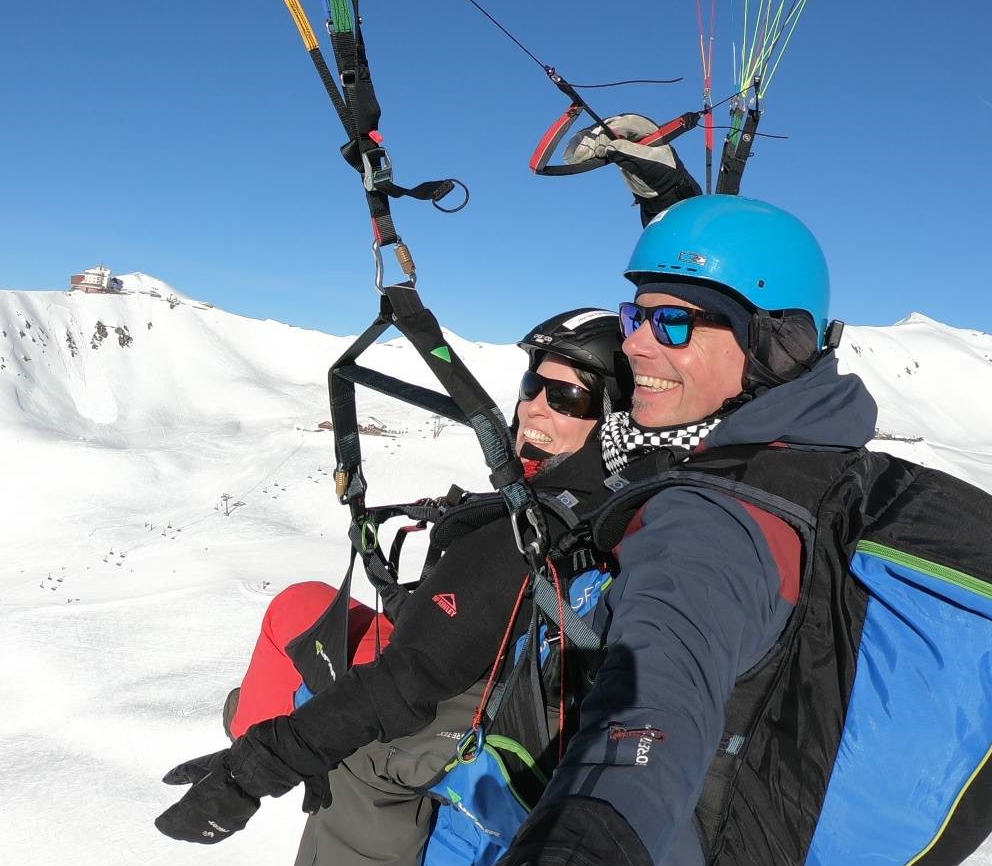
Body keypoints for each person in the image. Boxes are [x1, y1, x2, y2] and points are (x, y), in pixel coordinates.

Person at [155, 308, 633, 865]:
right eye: (533, 385)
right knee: (304, 604)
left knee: (302, 628)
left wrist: (252, 770)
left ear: (614, 418)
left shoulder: (525, 534)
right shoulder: (618, 494)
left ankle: (252, 733)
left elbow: (405, 682)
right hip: (522, 665)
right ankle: (252, 723)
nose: (533, 408)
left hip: (482, 704)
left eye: (567, 398)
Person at [498, 195, 879, 866]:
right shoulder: (809, 453)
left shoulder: (709, 519)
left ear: (774, 344)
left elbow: (655, 699)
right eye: (636, 315)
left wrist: (585, 842)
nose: (634, 343)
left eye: (671, 322)